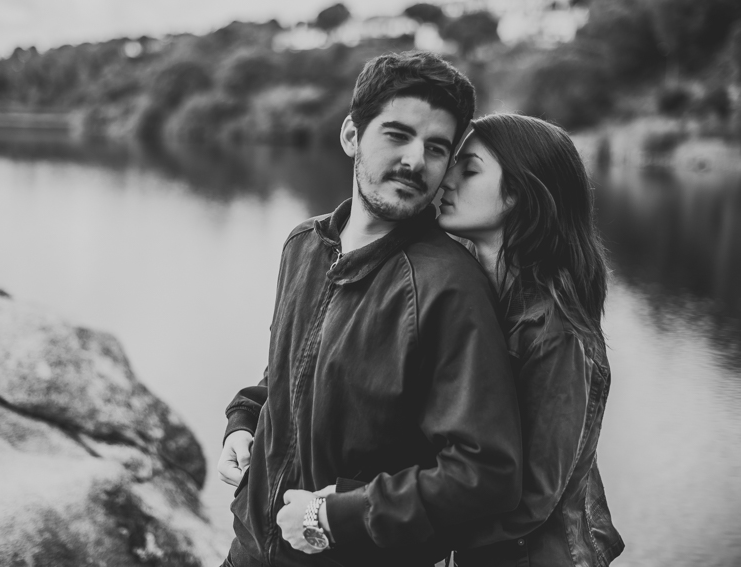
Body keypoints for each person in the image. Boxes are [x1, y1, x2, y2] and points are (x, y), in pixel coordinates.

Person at [217, 51, 523, 567]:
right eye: (396, 135)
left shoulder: (447, 285)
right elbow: (292, 368)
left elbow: (486, 472)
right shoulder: (304, 245)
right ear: (352, 136)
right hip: (248, 551)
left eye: (437, 148)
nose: (414, 161)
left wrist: (338, 514)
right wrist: (245, 418)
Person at [437, 113, 625, 567]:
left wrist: (404, 529)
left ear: (520, 192)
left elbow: (533, 500)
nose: (445, 179)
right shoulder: (467, 290)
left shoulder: (554, 331)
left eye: (469, 169)